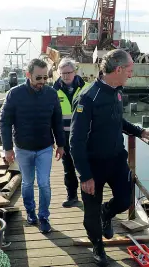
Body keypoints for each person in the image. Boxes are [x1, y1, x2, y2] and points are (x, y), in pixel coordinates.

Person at [70, 49, 149, 266]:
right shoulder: (89, 97)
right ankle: (98, 247)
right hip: (93, 165)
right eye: (129, 69)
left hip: (117, 159)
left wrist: (140, 132)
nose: (131, 74)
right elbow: (75, 141)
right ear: (118, 69)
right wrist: (85, 176)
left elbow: (118, 121)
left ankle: (107, 213)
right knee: (90, 215)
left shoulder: (118, 91)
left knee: (124, 199)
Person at [0, 58, 65, 234]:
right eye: (38, 78)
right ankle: (30, 212)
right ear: (28, 75)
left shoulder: (51, 94)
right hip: (22, 148)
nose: (42, 82)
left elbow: (57, 121)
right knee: (28, 183)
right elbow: (4, 122)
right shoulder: (14, 94)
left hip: (45, 147)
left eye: (45, 78)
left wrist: (61, 144)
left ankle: (43, 217)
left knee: (44, 183)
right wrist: (7, 148)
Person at [53, 57, 89, 207]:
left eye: (68, 72)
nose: (66, 76)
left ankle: (89, 197)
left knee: (85, 166)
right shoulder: (53, 91)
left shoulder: (87, 88)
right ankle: (72, 196)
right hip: (64, 136)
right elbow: (52, 117)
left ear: (75, 72)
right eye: (63, 73)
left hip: (84, 136)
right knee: (68, 167)